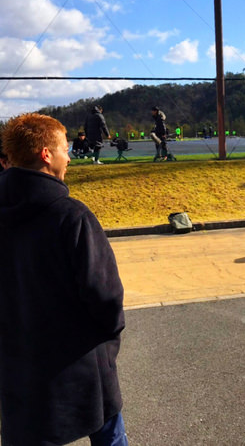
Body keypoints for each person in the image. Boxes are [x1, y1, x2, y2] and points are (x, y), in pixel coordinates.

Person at [0, 113, 128, 446]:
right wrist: (109, 338)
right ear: (46, 154)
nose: (69, 156)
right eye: (64, 148)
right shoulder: (72, 217)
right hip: (82, 363)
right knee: (109, 433)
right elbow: (106, 296)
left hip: (17, 365)